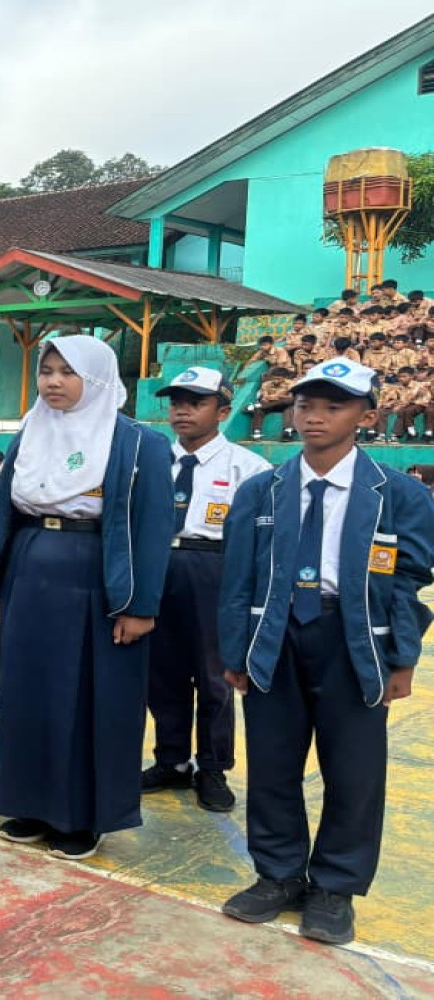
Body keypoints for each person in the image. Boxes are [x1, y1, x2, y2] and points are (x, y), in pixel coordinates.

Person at [219, 358, 434, 946]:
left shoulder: (400, 495)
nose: (314, 417)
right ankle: (279, 875)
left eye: (334, 406)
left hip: (353, 638)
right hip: (276, 635)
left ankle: (335, 886)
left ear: (366, 416)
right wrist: (235, 652)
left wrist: (402, 659)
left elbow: (410, 580)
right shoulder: (262, 490)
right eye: (305, 405)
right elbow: (237, 580)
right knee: (272, 763)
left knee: (353, 770)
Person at [0, 337, 173, 861]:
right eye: (46, 370)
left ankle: (83, 816)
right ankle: (29, 804)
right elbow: (3, 511)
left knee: (89, 699)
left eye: (67, 371)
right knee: (27, 693)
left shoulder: (138, 443)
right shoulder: (30, 432)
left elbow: (152, 529)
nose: (53, 381)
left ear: (98, 377)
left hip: (97, 576)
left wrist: (140, 606)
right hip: (31, 568)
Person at [141, 368, 270, 814]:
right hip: (158, 565)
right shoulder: (153, 463)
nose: (183, 410)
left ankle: (213, 767)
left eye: (196, 402)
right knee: (162, 674)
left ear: (224, 411)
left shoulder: (248, 469)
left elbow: (260, 539)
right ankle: (171, 760)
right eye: (176, 402)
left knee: (215, 677)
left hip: (215, 568)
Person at [245, 366, 296, 441]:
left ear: (284, 378)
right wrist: (272, 398)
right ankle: (256, 433)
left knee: (290, 403)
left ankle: (287, 432)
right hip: (269, 405)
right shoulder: (266, 384)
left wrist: (275, 397)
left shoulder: (291, 384)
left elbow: (290, 397)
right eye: (273, 378)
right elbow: (264, 398)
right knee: (258, 410)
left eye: (278, 379)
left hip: (283, 405)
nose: (275, 380)